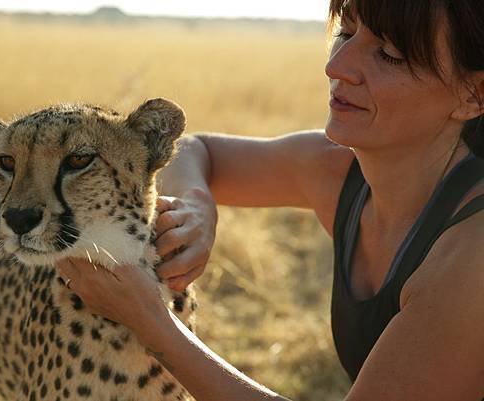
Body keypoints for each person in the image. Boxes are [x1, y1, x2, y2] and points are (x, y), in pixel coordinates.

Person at [57, 1, 484, 399]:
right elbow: (194, 148)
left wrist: (152, 324)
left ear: (473, 95)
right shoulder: (335, 171)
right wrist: (197, 208)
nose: (337, 66)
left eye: (389, 53)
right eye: (346, 33)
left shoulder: (472, 256)